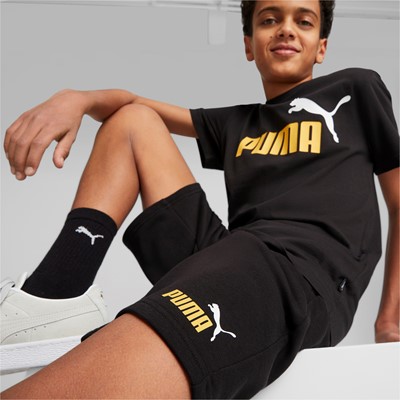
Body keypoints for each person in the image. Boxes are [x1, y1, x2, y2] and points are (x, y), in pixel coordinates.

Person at [1, 0, 399, 398]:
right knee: (131, 121)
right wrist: (75, 99)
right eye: (269, 19)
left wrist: (389, 321)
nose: (286, 28)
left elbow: (399, 203)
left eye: (304, 21)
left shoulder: (355, 88)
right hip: (231, 254)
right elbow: (131, 104)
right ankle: (53, 296)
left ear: (321, 47)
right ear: (249, 44)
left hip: (298, 274)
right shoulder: (239, 122)